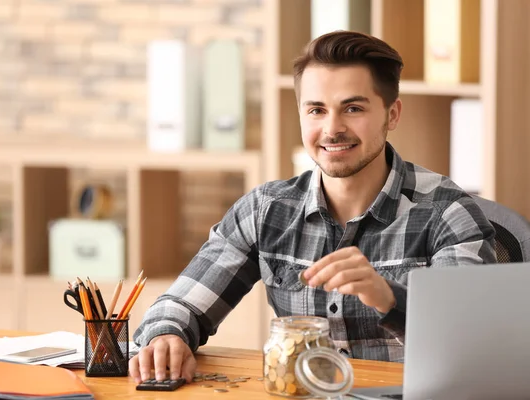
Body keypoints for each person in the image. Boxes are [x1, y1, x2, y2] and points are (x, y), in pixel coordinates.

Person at [129, 30, 497, 384]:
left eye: (353, 108)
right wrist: (167, 336)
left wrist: (389, 297)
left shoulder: (448, 214)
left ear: (392, 114)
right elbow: (181, 304)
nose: (332, 129)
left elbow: (471, 340)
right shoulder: (265, 210)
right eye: (317, 110)